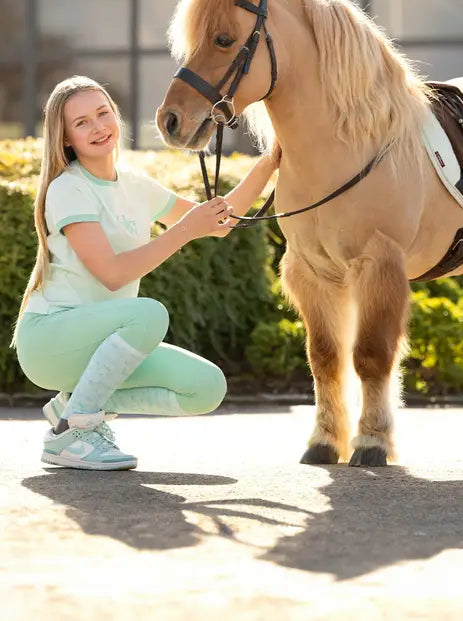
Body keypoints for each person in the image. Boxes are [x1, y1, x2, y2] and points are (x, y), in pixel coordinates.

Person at [12, 75, 280, 471]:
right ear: (65, 137)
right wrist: (184, 230)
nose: (98, 127)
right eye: (82, 122)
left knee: (206, 388)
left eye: (103, 113)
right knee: (149, 314)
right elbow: (112, 274)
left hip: (100, 344)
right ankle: (73, 432)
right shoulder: (68, 188)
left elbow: (219, 222)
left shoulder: (135, 185)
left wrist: (270, 162)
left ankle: (74, 404)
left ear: (116, 116)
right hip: (50, 342)